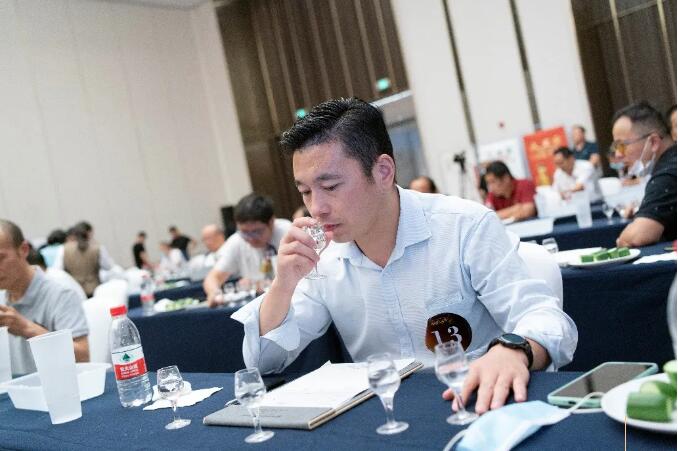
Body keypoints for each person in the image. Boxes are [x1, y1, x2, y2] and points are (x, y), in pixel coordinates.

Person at [232, 98, 577, 415]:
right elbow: (265, 362)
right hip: (388, 416)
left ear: (383, 171)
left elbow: (547, 318)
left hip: (477, 404)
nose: (317, 208)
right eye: (305, 191)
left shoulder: (463, 227)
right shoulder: (323, 257)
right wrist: (283, 285)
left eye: (331, 186)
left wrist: (513, 349)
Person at [0, 219, 89, 375]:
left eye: (0, 258)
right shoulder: (2, 297)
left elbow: (83, 357)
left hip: (57, 387)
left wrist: (27, 328)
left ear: (23, 249)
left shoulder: (61, 295)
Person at [203, 194, 292, 307]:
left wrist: (259, 285)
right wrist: (214, 293)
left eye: (257, 232)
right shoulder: (237, 241)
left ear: (271, 222)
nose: (251, 238)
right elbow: (213, 277)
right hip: (257, 306)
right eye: (245, 232)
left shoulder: (288, 232)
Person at [612, 102, 676, 247]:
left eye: (622, 145)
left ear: (653, 142)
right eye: (616, 147)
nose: (618, 154)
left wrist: (624, 238)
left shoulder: (668, 174)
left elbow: (637, 237)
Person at [53, 223, 114, 297]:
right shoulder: (97, 248)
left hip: (75, 291)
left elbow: (58, 270)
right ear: (88, 234)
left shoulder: (64, 249)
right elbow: (108, 266)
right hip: (95, 289)